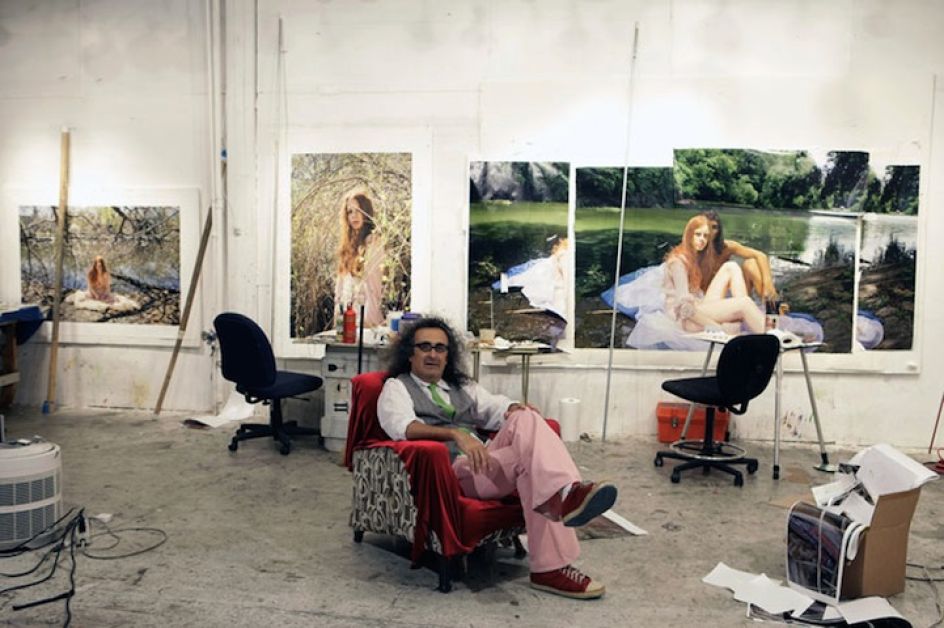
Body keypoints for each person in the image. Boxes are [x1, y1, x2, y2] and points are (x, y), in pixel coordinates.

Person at [377, 316, 617, 600]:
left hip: (483, 463)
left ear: (447, 355)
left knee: (525, 418)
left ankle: (562, 509)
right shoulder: (397, 387)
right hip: (449, 470)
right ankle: (559, 528)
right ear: (410, 353)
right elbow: (402, 427)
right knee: (536, 463)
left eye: (440, 348)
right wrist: (454, 434)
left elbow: (493, 406)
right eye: (424, 347)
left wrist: (513, 407)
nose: (433, 354)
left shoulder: (460, 386)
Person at [663, 215, 766, 334]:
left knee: (731, 267)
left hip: (698, 307)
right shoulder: (678, 263)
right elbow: (684, 308)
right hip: (685, 319)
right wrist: (717, 328)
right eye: (698, 234)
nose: (702, 239)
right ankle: (772, 336)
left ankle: (741, 315)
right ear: (689, 235)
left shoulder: (695, 256)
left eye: (705, 236)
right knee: (745, 304)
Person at [700, 210, 778, 303]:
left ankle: (770, 302)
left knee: (751, 263)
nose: (710, 231)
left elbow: (760, 255)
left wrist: (768, 283)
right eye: (707, 226)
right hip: (707, 299)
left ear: (719, 230)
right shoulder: (691, 250)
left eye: (714, 227)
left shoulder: (727, 247)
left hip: (733, 294)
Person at [334, 189, 385, 328]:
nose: (354, 216)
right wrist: (338, 315)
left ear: (366, 212)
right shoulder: (348, 243)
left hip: (365, 316)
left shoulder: (373, 241)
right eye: (350, 212)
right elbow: (340, 286)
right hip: (346, 316)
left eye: (358, 210)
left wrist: (368, 321)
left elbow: (374, 287)